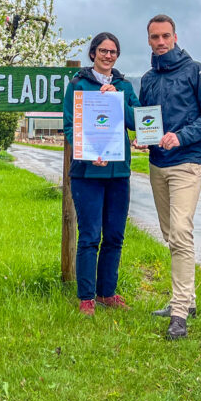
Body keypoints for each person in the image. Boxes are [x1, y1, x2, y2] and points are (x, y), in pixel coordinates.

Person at [139, 14, 201, 340]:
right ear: (148, 40)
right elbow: (146, 119)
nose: (160, 42)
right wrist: (142, 137)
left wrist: (182, 136)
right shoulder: (147, 78)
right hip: (158, 164)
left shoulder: (196, 70)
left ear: (175, 36)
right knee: (170, 234)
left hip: (188, 161)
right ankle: (188, 300)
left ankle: (178, 314)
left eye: (165, 36)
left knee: (181, 231)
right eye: (154, 37)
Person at [62, 32, 141, 316]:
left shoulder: (124, 86)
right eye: (103, 51)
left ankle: (107, 292)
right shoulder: (78, 85)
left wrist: (119, 100)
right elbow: (70, 126)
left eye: (114, 52)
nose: (109, 56)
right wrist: (86, 153)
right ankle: (86, 297)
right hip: (86, 174)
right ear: (93, 53)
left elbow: (137, 122)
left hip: (118, 173)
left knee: (115, 236)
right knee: (90, 236)